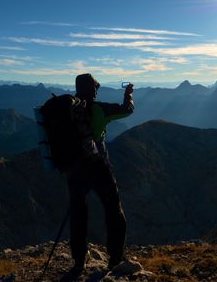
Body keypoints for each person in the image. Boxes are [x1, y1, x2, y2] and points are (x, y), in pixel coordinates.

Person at [66, 73, 134, 278]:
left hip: (74, 168)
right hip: (98, 167)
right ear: (93, 89)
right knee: (114, 211)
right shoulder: (100, 109)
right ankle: (115, 257)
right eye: (96, 86)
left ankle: (79, 261)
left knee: (78, 213)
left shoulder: (67, 108)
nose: (97, 89)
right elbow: (127, 110)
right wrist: (128, 94)